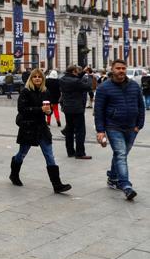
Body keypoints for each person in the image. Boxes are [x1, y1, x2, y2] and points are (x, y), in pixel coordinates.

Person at [9, 69, 72, 193]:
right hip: (28, 127)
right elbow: (22, 110)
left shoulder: (45, 91)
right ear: (31, 79)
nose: (37, 79)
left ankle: (57, 184)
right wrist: (40, 109)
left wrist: (49, 112)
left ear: (43, 79)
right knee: (22, 153)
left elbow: (49, 108)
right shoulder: (25, 92)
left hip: (42, 127)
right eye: (35, 77)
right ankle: (14, 174)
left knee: (49, 154)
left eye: (40, 77)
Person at [95, 59, 144, 200]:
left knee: (120, 154)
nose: (121, 71)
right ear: (112, 69)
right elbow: (99, 111)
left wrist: (139, 125)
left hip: (131, 127)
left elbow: (141, 106)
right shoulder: (104, 87)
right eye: (118, 68)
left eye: (123, 68)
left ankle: (112, 177)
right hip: (113, 126)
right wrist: (100, 130)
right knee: (121, 154)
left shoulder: (134, 86)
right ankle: (126, 186)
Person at [59, 65, 92, 159]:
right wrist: (89, 75)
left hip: (67, 108)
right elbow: (88, 87)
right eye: (77, 71)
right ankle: (80, 153)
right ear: (73, 71)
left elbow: (75, 78)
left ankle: (70, 152)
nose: (78, 73)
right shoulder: (76, 81)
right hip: (77, 109)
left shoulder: (62, 79)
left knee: (69, 130)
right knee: (80, 131)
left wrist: (83, 72)